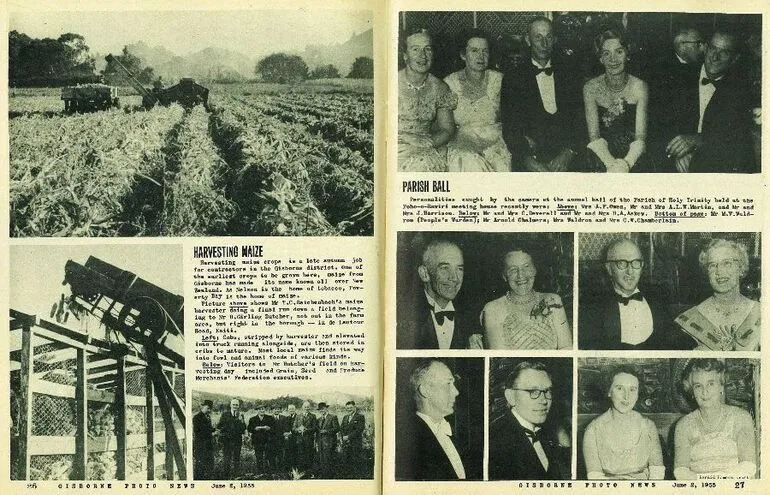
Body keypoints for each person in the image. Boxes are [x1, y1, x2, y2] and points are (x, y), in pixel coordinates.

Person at [664, 30, 756, 173]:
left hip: (715, 163)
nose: (715, 57)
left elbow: (736, 136)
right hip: (673, 159)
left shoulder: (740, 91)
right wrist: (678, 152)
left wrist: (698, 140)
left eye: (724, 52)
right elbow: (662, 122)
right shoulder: (678, 78)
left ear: (735, 58)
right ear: (705, 48)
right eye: (713, 48)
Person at [500, 16, 584, 171]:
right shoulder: (513, 78)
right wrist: (528, 160)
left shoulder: (570, 73)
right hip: (531, 157)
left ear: (555, 39)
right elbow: (510, 127)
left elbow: (580, 119)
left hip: (568, 155)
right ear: (528, 40)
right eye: (538, 37)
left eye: (548, 37)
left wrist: (569, 152)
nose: (544, 43)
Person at [579, 238, 692, 350]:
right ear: (609, 268)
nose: (630, 271)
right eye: (622, 263)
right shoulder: (594, 305)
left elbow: (674, 338)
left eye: (636, 263)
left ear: (642, 267)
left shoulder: (657, 296)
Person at [674, 359, 757, 479]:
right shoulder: (684, 425)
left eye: (711, 384)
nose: (705, 391)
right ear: (692, 391)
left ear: (721, 386)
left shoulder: (741, 417)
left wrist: (710, 481)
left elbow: (748, 467)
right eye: (698, 386)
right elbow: (681, 472)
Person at [444, 29, 511, 172]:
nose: (480, 56)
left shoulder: (499, 80)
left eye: (485, 51)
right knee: (467, 161)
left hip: (496, 144)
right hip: (463, 144)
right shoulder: (450, 83)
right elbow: (443, 125)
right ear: (463, 55)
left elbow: (514, 117)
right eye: (474, 51)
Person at [584, 28, 649, 172]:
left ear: (627, 54)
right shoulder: (590, 88)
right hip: (601, 156)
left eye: (619, 52)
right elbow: (594, 136)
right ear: (600, 58)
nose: (613, 59)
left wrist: (625, 165)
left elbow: (640, 137)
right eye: (606, 53)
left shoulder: (640, 86)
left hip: (633, 157)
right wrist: (611, 166)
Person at [675, 239, 760, 350]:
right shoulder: (690, 319)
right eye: (712, 265)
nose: (719, 271)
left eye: (727, 263)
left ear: (741, 269)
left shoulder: (761, 312)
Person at [397, 239, 482, 349]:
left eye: (459, 269)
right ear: (425, 274)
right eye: (445, 268)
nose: (455, 278)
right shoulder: (402, 316)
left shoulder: (472, 320)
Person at [395, 359, 473, 480]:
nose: (456, 392)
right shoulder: (408, 442)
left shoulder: (451, 435)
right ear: (425, 390)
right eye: (448, 384)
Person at [582, 366, 664, 479]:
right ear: (609, 391)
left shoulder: (648, 426)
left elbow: (657, 473)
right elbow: (594, 477)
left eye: (632, 389)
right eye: (619, 388)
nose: (626, 396)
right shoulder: (593, 430)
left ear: (638, 393)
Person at [481, 247, 571, 349]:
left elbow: (566, 348)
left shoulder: (553, 300)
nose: (521, 275)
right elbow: (499, 357)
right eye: (513, 269)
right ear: (504, 275)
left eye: (526, 266)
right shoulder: (493, 309)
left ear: (535, 270)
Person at [489, 361, 566, 480]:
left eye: (547, 391)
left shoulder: (545, 433)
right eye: (532, 392)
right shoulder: (495, 441)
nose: (544, 400)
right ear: (511, 397)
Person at [398, 28, 457, 172]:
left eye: (427, 49)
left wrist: (429, 142)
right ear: (405, 55)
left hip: (424, 148)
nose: (422, 56)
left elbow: (447, 129)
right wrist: (404, 137)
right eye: (415, 49)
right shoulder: (390, 82)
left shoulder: (440, 87)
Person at [647, 26, 705, 170]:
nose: (704, 48)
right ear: (681, 45)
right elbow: (660, 121)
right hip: (669, 147)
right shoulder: (660, 71)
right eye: (698, 43)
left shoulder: (701, 66)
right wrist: (680, 152)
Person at [216, 398, 247, 478]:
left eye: (237, 405)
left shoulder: (241, 415)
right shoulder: (225, 414)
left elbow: (243, 428)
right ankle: (226, 475)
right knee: (227, 458)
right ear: (230, 405)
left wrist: (241, 421)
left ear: (239, 406)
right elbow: (219, 426)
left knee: (236, 458)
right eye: (234, 404)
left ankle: (236, 475)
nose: (235, 406)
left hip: (237, 440)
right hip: (227, 440)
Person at [340, 400, 366, 478]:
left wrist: (348, 437)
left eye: (351, 407)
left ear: (354, 407)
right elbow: (341, 428)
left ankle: (356, 478)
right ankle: (348, 477)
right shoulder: (345, 417)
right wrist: (343, 437)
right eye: (347, 408)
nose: (349, 409)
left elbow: (359, 429)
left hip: (355, 443)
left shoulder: (360, 417)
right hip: (346, 443)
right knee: (346, 460)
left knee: (355, 460)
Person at [246, 404, 274, 474]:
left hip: (267, 440)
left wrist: (269, 428)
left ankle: (268, 471)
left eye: (263, 409)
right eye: (260, 409)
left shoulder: (270, 418)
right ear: (257, 411)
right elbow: (249, 429)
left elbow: (274, 428)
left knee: (268, 456)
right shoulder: (252, 419)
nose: (262, 410)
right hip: (257, 441)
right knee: (259, 456)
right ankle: (260, 471)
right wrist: (255, 429)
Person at [293, 401, 318, 474]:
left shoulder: (313, 416)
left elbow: (314, 428)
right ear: (302, 407)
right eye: (305, 407)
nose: (306, 408)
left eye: (308, 407)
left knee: (309, 455)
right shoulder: (298, 416)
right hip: (299, 440)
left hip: (308, 440)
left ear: (309, 408)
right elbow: (293, 427)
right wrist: (298, 430)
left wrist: (306, 429)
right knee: (300, 455)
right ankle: (301, 472)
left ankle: (309, 473)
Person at [193, 400, 215, 480]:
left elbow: (209, 428)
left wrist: (214, 430)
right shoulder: (197, 417)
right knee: (200, 466)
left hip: (208, 445)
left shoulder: (208, 417)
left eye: (210, 409)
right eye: (208, 408)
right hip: (201, 445)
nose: (209, 410)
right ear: (203, 406)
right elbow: (198, 432)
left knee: (210, 464)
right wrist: (211, 433)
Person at [316, 402, 340, 479]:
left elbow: (336, 428)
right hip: (320, 443)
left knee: (328, 459)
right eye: (320, 410)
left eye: (323, 409)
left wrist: (326, 431)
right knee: (322, 459)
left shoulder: (333, 417)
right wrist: (316, 442)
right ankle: (323, 475)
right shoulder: (319, 419)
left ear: (326, 409)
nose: (321, 411)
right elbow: (318, 432)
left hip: (329, 442)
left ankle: (329, 476)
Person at [279, 404, 298, 470]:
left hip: (296, 439)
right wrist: (285, 433)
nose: (291, 410)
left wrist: (291, 433)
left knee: (295, 453)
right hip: (287, 439)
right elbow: (284, 427)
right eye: (290, 409)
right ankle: (288, 469)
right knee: (288, 453)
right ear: (288, 410)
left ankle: (295, 468)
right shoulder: (286, 418)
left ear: (295, 409)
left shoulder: (298, 417)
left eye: (292, 409)